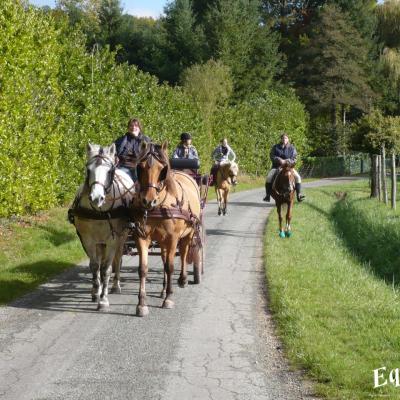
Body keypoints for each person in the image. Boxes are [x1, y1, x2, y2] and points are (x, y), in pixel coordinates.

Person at [263, 133, 305, 202]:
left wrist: (287, 161)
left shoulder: (292, 148)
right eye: (283, 138)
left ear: (288, 139)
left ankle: (299, 195)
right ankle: (267, 195)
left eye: (286, 138)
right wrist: (279, 160)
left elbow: (295, 158)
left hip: (289, 168)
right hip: (277, 167)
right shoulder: (275, 147)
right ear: (281, 139)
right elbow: (272, 156)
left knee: (298, 177)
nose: (284, 139)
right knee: (269, 177)